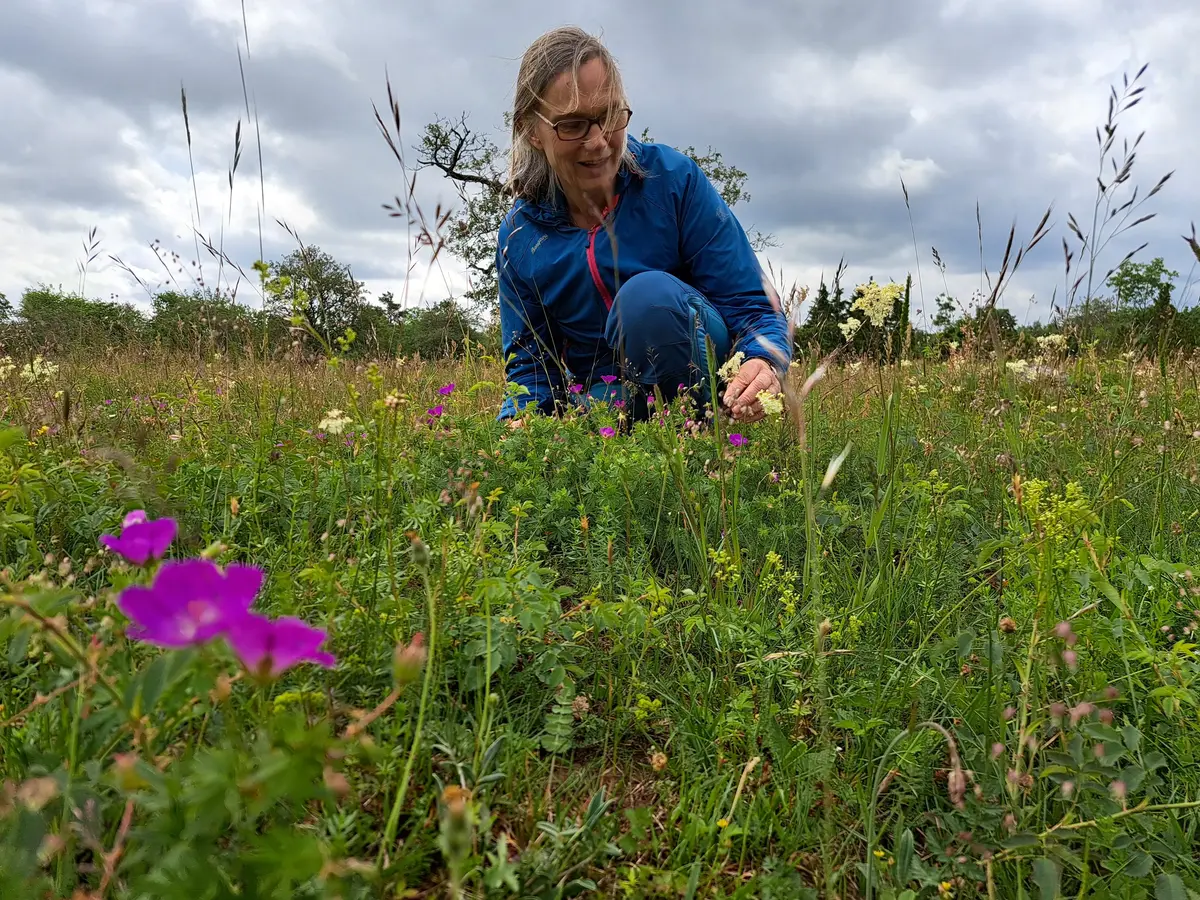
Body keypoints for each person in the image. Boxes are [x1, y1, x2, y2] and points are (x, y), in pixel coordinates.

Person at [495, 26, 791, 427]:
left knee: (646, 299)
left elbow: (752, 305)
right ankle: (633, 441)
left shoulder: (673, 181)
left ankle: (702, 431)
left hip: (702, 374)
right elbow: (531, 372)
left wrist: (764, 360)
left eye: (610, 116)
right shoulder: (520, 236)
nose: (599, 142)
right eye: (573, 125)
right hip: (604, 404)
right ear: (532, 129)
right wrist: (519, 428)